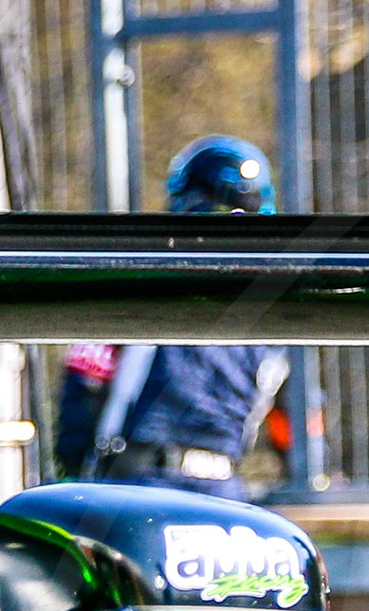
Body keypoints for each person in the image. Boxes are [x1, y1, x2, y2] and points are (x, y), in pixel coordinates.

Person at [58, 136, 290, 498]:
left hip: (137, 485)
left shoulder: (139, 282)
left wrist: (72, 473)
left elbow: (86, 385)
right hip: (224, 492)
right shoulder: (276, 310)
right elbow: (297, 425)